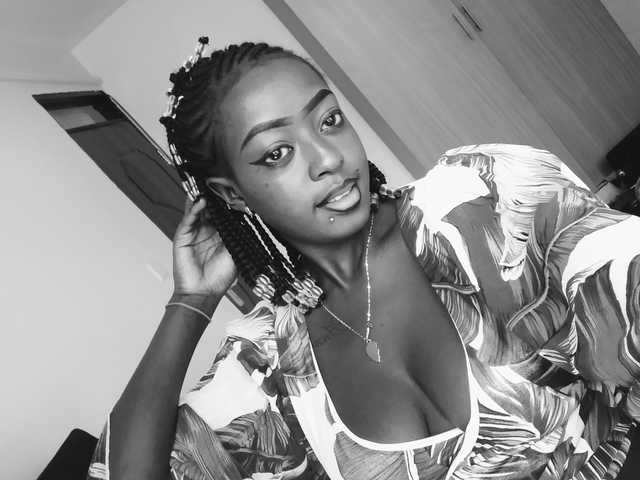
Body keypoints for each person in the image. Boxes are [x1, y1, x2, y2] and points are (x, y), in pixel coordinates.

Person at [86, 37, 640, 480]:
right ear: (232, 195)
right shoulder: (269, 360)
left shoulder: (475, 202)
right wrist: (190, 303)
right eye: (278, 153)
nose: (328, 158)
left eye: (328, 120)